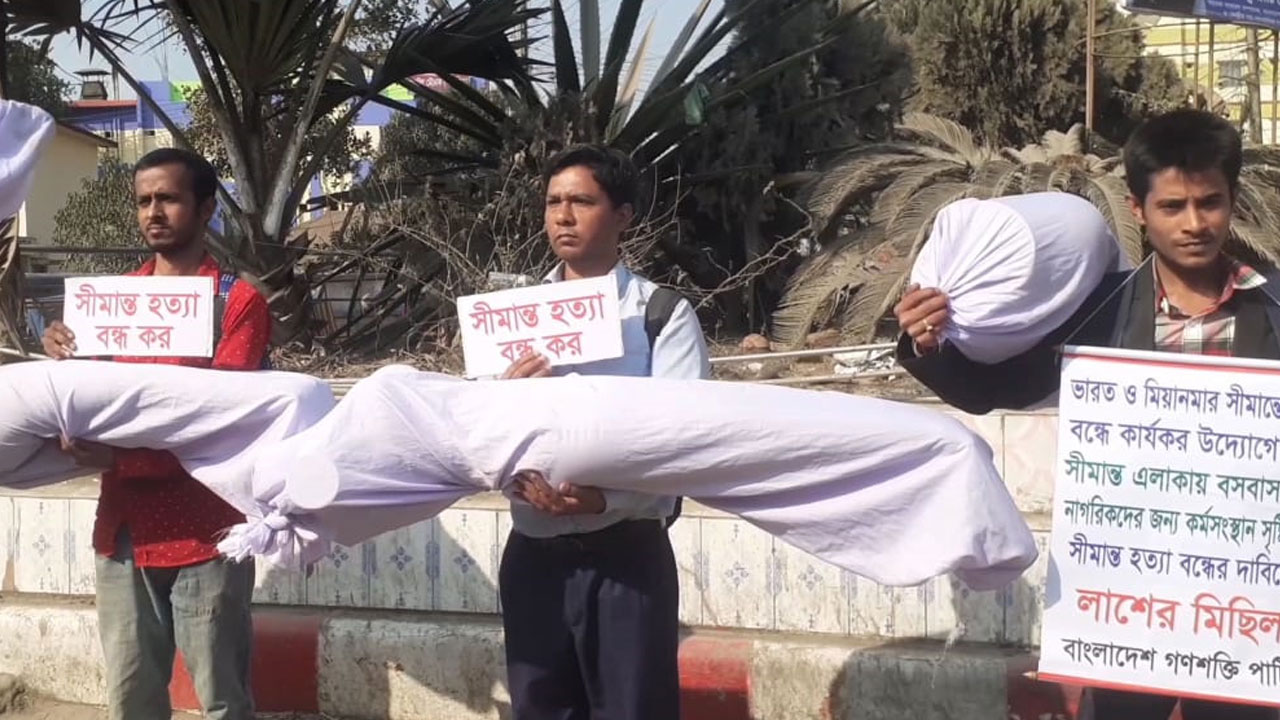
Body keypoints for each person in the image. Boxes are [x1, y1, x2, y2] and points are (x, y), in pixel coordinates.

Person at [895, 109, 1280, 720]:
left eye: (1210, 202)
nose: (1194, 223)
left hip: (1248, 603)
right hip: (1128, 596)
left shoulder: (1275, 306)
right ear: (1137, 209)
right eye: (1172, 206)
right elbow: (994, 389)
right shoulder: (1096, 314)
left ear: (1232, 200)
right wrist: (928, 341)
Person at [41, 147, 268, 720]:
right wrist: (62, 350)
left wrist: (115, 455)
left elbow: (222, 423)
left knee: (222, 700)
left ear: (206, 208)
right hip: (124, 532)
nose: (153, 213)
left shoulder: (236, 303)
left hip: (209, 534)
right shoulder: (110, 304)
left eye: (168, 198)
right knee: (132, 699)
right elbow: (86, 397)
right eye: (144, 201)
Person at [495, 144, 711, 720]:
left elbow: (681, 444)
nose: (563, 217)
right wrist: (503, 400)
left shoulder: (660, 315)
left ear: (622, 216)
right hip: (533, 556)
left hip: (625, 558)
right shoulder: (508, 321)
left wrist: (602, 499)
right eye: (553, 202)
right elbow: (476, 432)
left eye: (582, 202)